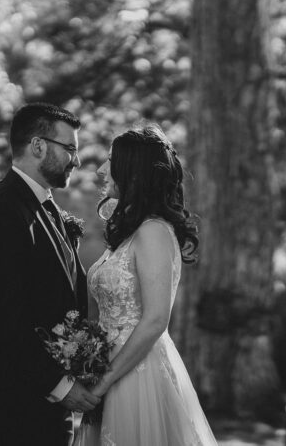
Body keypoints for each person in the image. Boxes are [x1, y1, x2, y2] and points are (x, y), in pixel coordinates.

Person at [0, 103, 101, 445]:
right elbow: (3, 316)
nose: (76, 161)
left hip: (40, 391)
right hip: (19, 392)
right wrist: (60, 385)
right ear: (38, 146)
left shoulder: (41, 205)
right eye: (70, 149)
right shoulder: (3, 213)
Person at [75, 124, 217, 445]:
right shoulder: (131, 231)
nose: (101, 169)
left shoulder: (154, 231)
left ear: (133, 171)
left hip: (138, 375)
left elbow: (154, 320)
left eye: (111, 160)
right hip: (111, 366)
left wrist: (102, 382)